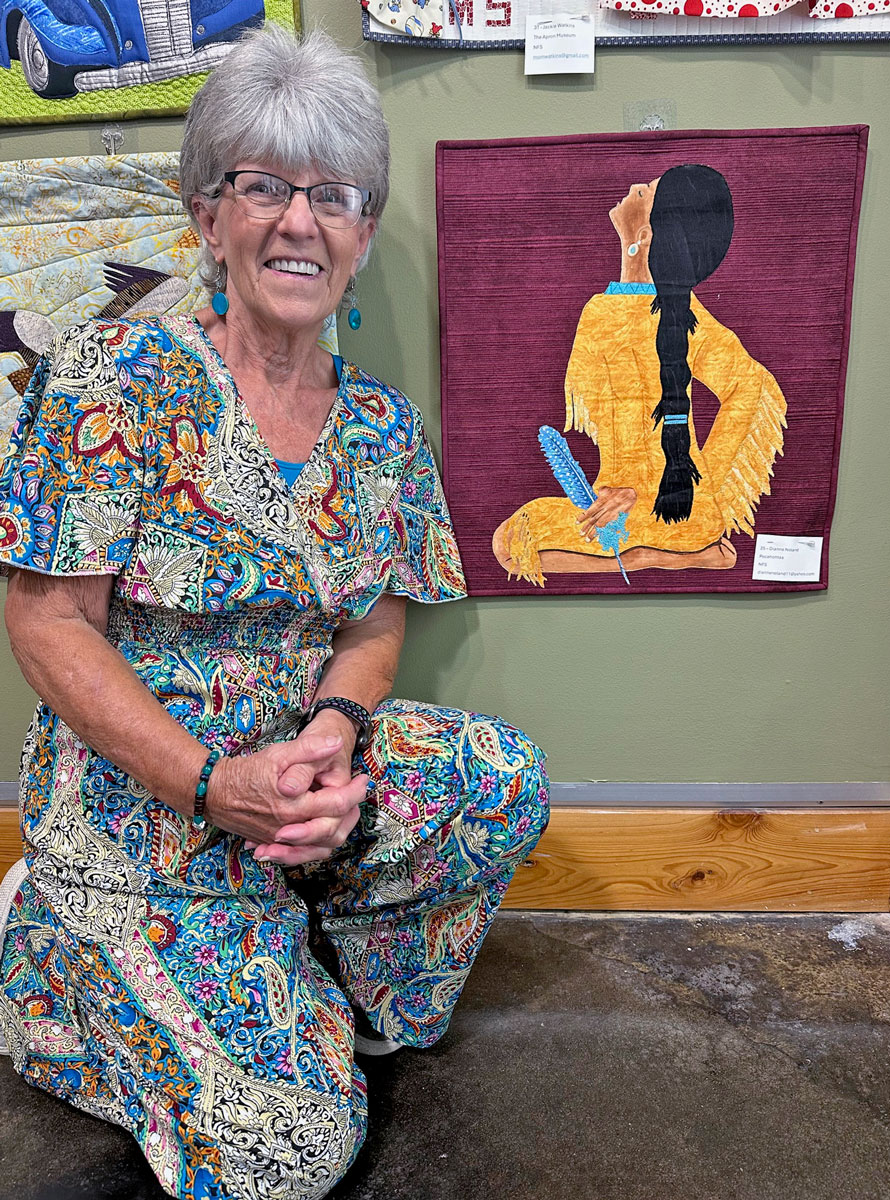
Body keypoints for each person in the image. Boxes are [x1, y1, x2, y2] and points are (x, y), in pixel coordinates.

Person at [0, 25, 549, 1200]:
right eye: (264, 186)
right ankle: (54, 960)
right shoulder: (114, 383)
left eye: (335, 196)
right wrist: (211, 785)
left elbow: (376, 623)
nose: (300, 221)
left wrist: (334, 735)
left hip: (301, 788)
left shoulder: (383, 429)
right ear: (209, 216)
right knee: (284, 1152)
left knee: (498, 780)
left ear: (361, 233)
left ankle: (301, 991)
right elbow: (49, 624)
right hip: (146, 812)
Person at [493, 164, 787, 586]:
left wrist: (692, 489)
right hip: (644, 514)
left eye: (646, 191)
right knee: (518, 536)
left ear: (647, 234)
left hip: (661, 513)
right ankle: (679, 553)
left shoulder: (650, 315)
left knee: (512, 540)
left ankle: (657, 554)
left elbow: (751, 388)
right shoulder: (627, 312)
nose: (634, 187)